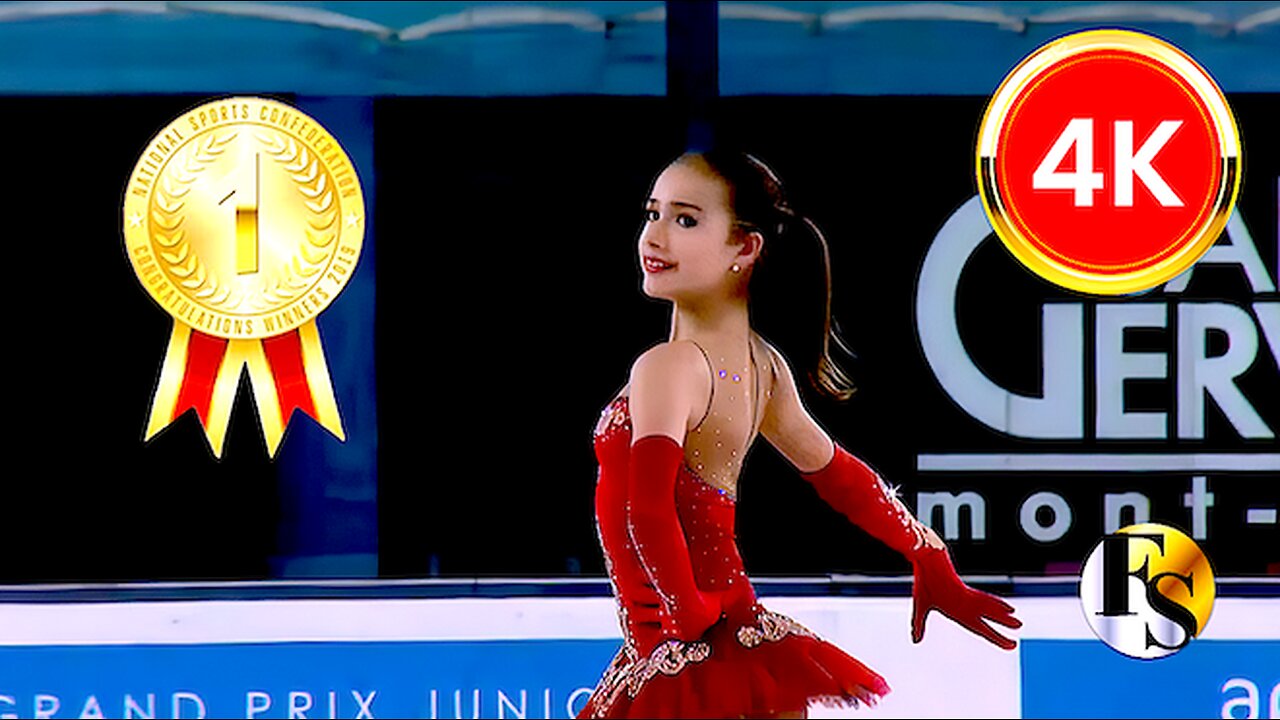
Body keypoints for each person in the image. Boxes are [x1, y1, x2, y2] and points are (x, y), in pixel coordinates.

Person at [577, 150, 1021, 719]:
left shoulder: (669, 366)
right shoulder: (762, 366)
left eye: (685, 219)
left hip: (687, 655)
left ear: (746, 247)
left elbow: (649, 508)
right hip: (735, 641)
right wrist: (926, 551)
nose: (654, 235)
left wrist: (686, 614)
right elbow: (837, 473)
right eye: (652, 213)